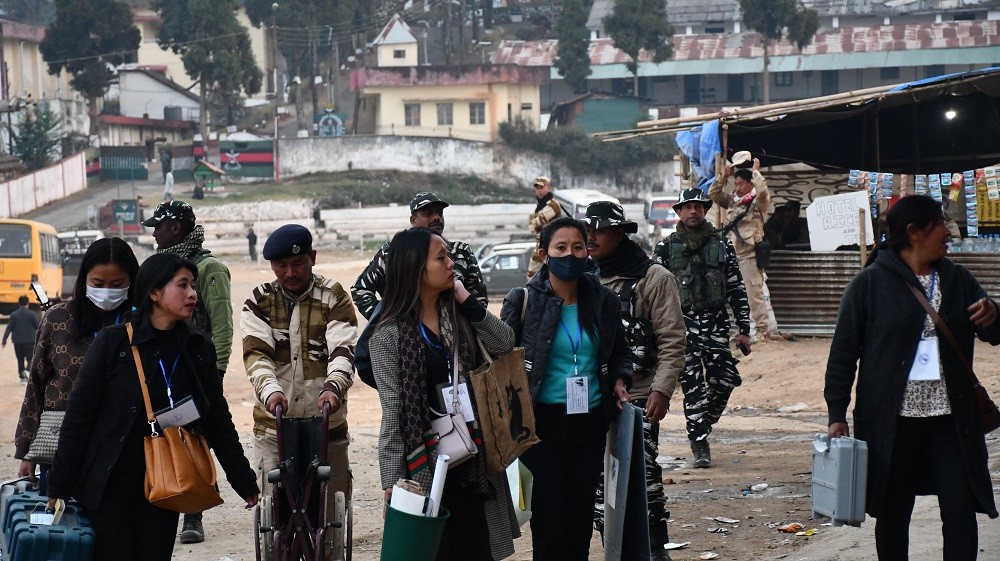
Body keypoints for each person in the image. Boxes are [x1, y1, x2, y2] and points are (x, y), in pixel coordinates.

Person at [46, 252, 259, 561]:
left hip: (166, 483)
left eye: (193, 286)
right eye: (182, 285)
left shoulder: (197, 348)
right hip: (108, 486)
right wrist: (59, 485)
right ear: (154, 293)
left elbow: (217, 419)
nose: (192, 294)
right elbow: (80, 417)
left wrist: (243, 480)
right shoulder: (113, 343)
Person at [825, 195, 1000, 560]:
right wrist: (837, 414)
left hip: (950, 420)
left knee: (960, 508)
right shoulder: (870, 284)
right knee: (892, 513)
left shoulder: (958, 280)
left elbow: (993, 333)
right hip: (893, 422)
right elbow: (843, 354)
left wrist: (994, 313)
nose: (949, 232)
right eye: (941, 224)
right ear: (914, 233)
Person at [371, 227, 520, 560]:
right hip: (423, 466)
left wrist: (468, 302)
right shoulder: (388, 335)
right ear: (415, 268)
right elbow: (393, 416)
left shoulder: (459, 315)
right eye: (442, 257)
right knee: (434, 551)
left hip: (474, 460)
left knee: (477, 547)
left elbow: (505, 344)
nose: (451, 263)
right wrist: (391, 484)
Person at [500, 217, 632, 561]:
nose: (570, 255)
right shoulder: (523, 300)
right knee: (549, 517)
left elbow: (619, 353)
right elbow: (502, 358)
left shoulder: (603, 301)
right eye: (561, 248)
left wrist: (620, 380)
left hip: (589, 423)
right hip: (540, 425)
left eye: (578, 247)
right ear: (545, 254)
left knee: (579, 519)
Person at [242, 224, 358, 542]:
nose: (290, 273)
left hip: (327, 427)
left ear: (313, 258)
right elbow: (256, 357)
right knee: (274, 521)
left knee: (331, 521)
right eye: (281, 266)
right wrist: (271, 391)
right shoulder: (259, 302)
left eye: (298, 264)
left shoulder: (334, 296)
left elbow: (343, 351)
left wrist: (333, 387)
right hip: (273, 428)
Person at [584, 202, 686, 558]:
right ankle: (615, 547)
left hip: (639, 395)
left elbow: (673, 340)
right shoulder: (582, 277)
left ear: (619, 233)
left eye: (599, 230)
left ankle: (656, 549)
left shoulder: (654, 278)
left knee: (642, 475)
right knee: (598, 481)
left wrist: (661, 390)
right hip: (593, 393)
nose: (591, 237)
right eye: (588, 230)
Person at [14, 238, 138, 494]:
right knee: (65, 529)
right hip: (61, 446)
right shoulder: (58, 319)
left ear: (132, 281)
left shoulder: (140, 322)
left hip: (124, 450)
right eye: (97, 283)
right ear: (84, 280)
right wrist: (27, 450)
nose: (106, 291)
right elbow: (36, 384)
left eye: (116, 284)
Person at [142, 199, 234, 543]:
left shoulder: (208, 268)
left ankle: (192, 514)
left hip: (196, 371)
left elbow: (222, 325)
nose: (154, 235)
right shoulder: (159, 268)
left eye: (159, 227)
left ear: (176, 228)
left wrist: (218, 373)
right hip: (161, 367)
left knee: (196, 439)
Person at [654, 188, 751, 468]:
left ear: (705, 210)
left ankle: (703, 421)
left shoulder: (721, 245)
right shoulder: (665, 248)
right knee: (693, 385)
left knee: (725, 379)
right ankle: (700, 443)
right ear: (678, 212)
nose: (693, 211)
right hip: (681, 329)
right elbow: (653, 295)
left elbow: (735, 287)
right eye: (687, 207)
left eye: (698, 206)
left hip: (716, 326)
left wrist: (743, 328)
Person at [352, 192, 487, 320]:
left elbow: (479, 297)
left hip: (455, 339)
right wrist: (384, 323)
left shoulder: (460, 252)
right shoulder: (392, 253)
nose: (436, 217)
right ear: (413, 220)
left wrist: (467, 329)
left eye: (439, 213)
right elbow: (360, 289)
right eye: (428, 213)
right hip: (405, 339)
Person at [707, 152, 781, 342]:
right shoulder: (733, 201)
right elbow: (713, 194)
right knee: (734, 295)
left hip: (749, 255)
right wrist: (724, 176)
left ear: (750, 184)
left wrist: (756, 173)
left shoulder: (758, 203)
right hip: (732, 254)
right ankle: (744, 331)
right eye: (736, 183)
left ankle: (762, 331)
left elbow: (763, 192)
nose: (738, 188)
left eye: (741, 184)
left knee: (754, 294)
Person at [527, 176, 565, 278]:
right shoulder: (540, 207)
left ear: (548, 187)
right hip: (540, 245)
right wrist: (535, 223)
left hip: (551, 245)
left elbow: (537, 223)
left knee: (549, 276)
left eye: (541, 187)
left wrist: (534, 222)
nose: (539, 191)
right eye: (537, 188)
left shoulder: (553, 205)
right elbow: (532, 227)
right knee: (532, 276)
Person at [3, 295, 40, 381]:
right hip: (30, 341)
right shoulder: (33, 314)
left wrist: (4, 339)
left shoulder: (13, 315)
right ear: (28, 303)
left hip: (17, 341)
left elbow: (9, 328)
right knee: (31, 358)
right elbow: (38, 327)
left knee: (20, 359)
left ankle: (22, 377)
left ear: (18, 303)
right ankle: (27, 371)